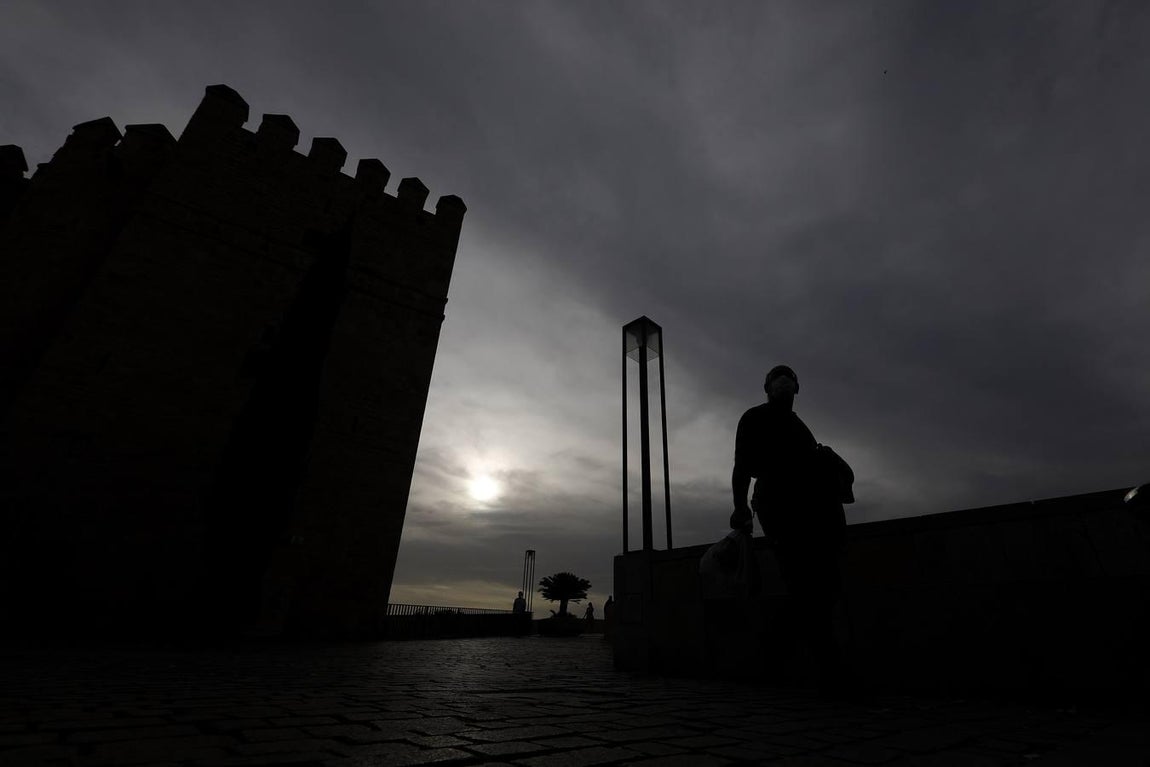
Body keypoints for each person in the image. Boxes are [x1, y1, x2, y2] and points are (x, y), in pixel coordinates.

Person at [731, 364, 849, 692]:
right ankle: (828, 670)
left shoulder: (801, 428)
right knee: (804, 583)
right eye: (776, 378)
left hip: (815, 513)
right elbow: (741, 466)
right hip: (780, 508)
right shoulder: (754, 417)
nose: (783, 380)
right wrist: (740, 506)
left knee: (817, 588)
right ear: (767, 387)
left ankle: (779, 661)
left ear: (797, 388)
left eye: (789, 378)